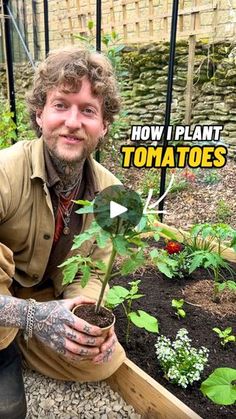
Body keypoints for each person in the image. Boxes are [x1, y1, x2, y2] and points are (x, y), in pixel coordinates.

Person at [0, 47, 126, 419]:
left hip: (41, 295)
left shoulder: (113, 195)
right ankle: (9, 341)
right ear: (40, 114)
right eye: (61, 105)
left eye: (88, 110)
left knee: (103, 360)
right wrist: (34, 318)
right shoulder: (6, 170)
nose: (73, 121)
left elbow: (96, 272)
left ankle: (14, 335)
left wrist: (82, 324)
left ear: (103, 126)